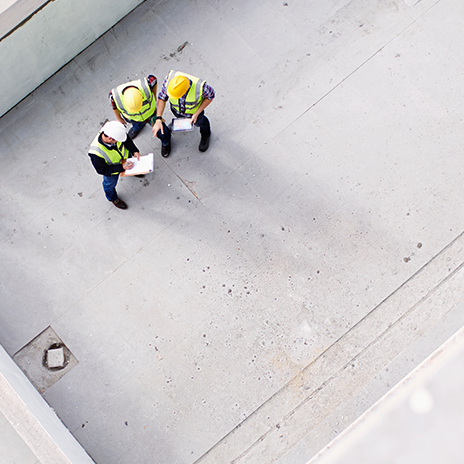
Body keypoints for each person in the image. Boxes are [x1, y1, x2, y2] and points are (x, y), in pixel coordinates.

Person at [152, 70, 215, 156]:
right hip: (176, 110)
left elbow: (210, 96)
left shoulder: (201, 87)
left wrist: (197, 113)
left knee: (201, 122)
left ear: (185, 91)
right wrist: (158, 118)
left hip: (194, 114)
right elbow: (162, 98)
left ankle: (206, 134)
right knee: (179, 118)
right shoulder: (169, 81)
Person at [88, 121, 142, 210]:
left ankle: (132, 171)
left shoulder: (114, 132)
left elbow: (127, 141)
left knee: (132, 166)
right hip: (112, 172)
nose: (119, 141)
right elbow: (102, 170)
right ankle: (113, 198)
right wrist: (122, 168)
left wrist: (134, 151)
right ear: (110, 139)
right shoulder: (96, 153)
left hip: (126, 159)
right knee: (109, 185)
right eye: (117, 140)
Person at [109, 75, 171, 147]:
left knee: (161, 130)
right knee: (136, 125)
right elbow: (114, 107)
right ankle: (137, 128)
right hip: (134, 118)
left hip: (151, 114)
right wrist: (118, 118)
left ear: (141, 96)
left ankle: (165, 142)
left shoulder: (147, 84)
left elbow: (154, 80)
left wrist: (154, 94)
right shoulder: (114, 96)